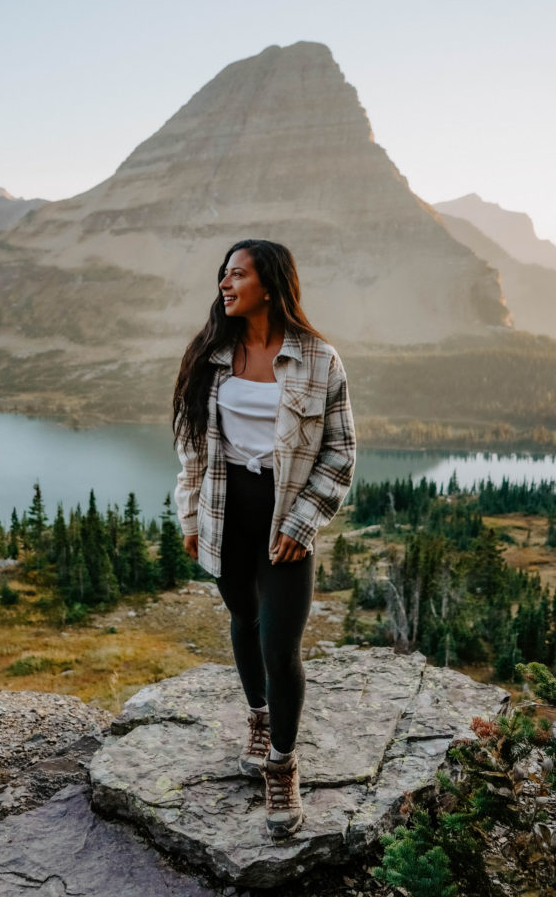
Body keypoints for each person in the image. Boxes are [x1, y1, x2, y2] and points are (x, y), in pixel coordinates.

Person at [173, 239, 356, 840]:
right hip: (228, 510)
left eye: (238, 275)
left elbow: (340, 454)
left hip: (284, 515)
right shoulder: (211, 354)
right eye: (223, 276)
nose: (225, 285)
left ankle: (282, 763)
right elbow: (193, 448)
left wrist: (303, 525)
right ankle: (256, 718)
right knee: (243, 619)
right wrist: (191, 519)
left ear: (272, 286)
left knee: (282, 646)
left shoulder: (318, 359)